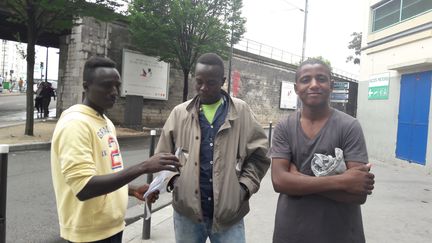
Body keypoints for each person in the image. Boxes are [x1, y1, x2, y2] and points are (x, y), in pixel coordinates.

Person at [50, 56, 181, 243]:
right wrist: (144, 167)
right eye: (106, 86)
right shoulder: (75, 124)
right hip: (88, 234)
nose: (114, 92)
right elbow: (84, 188)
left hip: (111, 228)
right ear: (86, 86)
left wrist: (132, 190)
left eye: (117, 86)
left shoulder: (105, 122)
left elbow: (105, 174)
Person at [155, 53, 271, 243]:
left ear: (223, 81)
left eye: (211, 82)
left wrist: (243, 188)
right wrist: (174, 181)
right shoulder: (179, 113)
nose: (203, 88)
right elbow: (162, 155)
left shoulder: (241, 111)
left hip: (229, 216)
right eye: (199, 81)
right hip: (187, 215)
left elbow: (260, 156)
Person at [269, 58, 375, 243]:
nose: (314, 85)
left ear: (331, 85)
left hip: (341, 234)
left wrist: (298, 179)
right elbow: (279, 182)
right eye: (305, 80)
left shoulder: (349, 127)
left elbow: (358, 194)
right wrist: (343, 180)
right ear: (296, 88)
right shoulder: (284, 127)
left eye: (321, 78)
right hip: (292, 234)